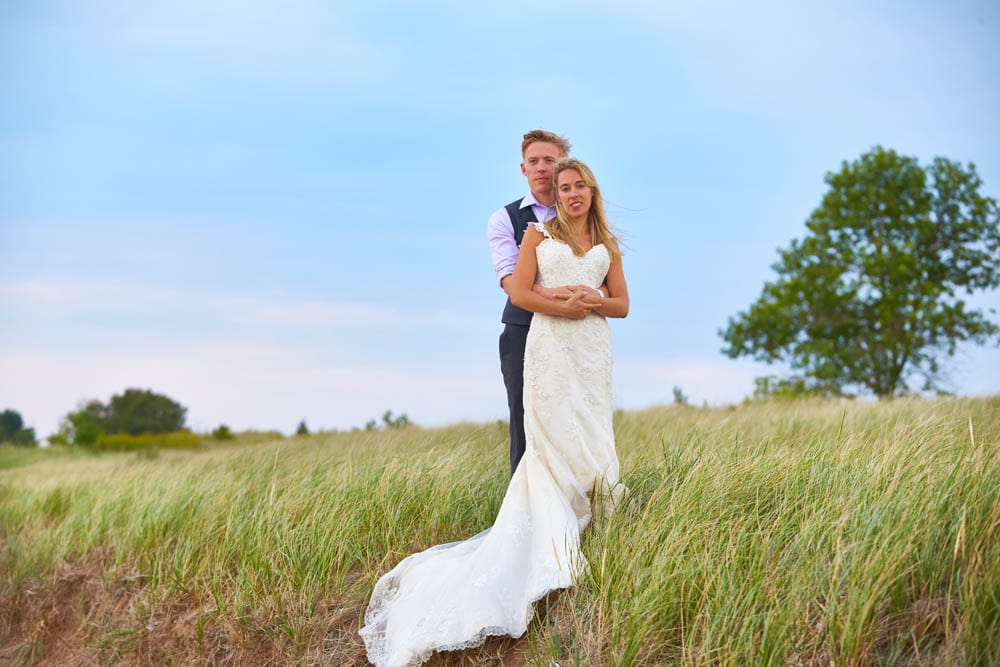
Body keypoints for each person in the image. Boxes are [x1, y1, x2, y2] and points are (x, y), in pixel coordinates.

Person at [359, 157, 629, 667]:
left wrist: (591, 300)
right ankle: (553, 533)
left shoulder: (607, 245)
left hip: (592, 351)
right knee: (550, 435)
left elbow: (622, 305)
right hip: (550, 346)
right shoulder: (536, 234)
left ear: (593, 192)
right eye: (564, 186)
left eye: (580, 187)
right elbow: (522, 292)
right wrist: (563, 307)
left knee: (592, 429)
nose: (572, 194)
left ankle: (597, 517)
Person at [487, 130, 604, 477]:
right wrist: (559, 301)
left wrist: (588, 305)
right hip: (523, 332)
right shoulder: (504, 219)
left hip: (579, 336)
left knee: (580, 420)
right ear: (523, 168)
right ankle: (528, 514)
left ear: (563, 165)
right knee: (527, 421)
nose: (542, 168)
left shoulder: (585, 214)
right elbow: (511, 282)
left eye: (549, 161)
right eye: (534, 161)